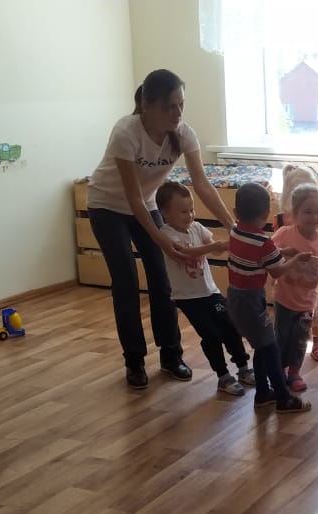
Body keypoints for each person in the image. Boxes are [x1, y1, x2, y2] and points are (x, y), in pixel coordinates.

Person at [86, 68, 236, 390]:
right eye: (170, 106)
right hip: (107, 206)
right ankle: (134, 360)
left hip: (146, 203)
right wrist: (162, 240)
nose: (178, 112)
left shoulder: (183, 134)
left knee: (163, 279)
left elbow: (202, 185)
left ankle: (171, 355)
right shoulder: (126, 132)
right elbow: (132, 198)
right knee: (126, 279)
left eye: (181, 104)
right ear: (147, 106)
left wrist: (233, 227)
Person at [155, 181, 254, 396]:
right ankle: (223, 376)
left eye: (191, 210)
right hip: (188, 298)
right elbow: (184, 252)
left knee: (230, 326)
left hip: (211, 292)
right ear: (165, 213)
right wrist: (213, 246)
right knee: (211, 335)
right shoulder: (166, 234)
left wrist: (229, 244)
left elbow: (215, 248)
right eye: (183, 211)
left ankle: (244, 368)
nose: (190, 215)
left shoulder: (197, 228)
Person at [225, 183, 313, 413]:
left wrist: (282, 252)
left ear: (235, 212)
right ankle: (284, 398)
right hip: (250, 302)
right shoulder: (264, 242)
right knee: (270, 348)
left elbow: (256, 253)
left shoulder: (235, 231)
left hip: (235, 297)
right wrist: (296, 259)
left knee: (262, 346)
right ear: (266, 215)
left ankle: (263, 394)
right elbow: (277, 271)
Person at [270, 183, 318, 392]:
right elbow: (268, 254)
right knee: (282, 338)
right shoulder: (284, 234)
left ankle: (294, 373)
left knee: (299, 341)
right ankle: (279, 371)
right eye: (308, 212)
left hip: (307, 304)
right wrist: (286, 253)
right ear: (294, 213)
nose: (314, 217)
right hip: (283, 300)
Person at [275, 165, 318, 362]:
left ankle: (317, 342)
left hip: (310, 281)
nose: (314, 216)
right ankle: (282, 361)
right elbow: (272, 250)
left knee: (314, 309)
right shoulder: (282, 222)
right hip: (288, 285)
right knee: (284, 328)